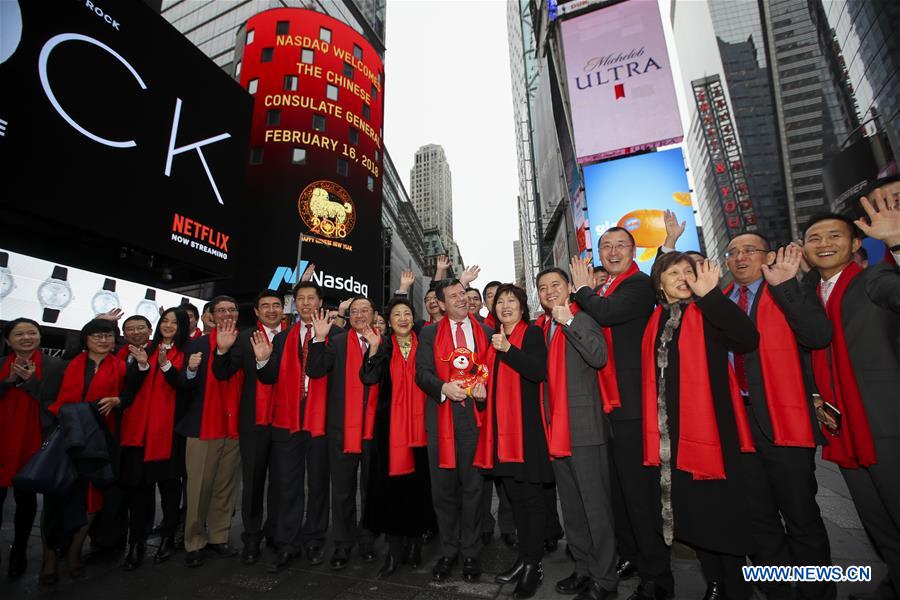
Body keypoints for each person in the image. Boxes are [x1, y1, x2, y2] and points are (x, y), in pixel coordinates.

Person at [722, 234, 835, 600]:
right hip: (740, 427)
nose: (740, 258)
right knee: (759, 518)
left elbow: (818, 335)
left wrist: (786, 284)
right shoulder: (719, 304)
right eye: (733, 252)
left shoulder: (788, 289)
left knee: (801, 515)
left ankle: (815, 593)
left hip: (783, 421)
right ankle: (779, 591)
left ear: (769, 256)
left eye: (749, 250)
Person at [801, 188, 900, 600]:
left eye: (834, 236)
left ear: (856, 243)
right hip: (842, 428)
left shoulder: (874, 279)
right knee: (875, 519)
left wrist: (896, 242)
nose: (824, 244)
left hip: (884, 421)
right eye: (815, 238)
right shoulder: (808, 295)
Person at [643, 252, 759, 600]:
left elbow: (747, 338)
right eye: (672, 271)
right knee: (693, 516)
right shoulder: (656, 322)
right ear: (660, 283)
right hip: (672, 438)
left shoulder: (707, 311)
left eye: (687, 271)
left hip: (711, 431)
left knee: (721, 513)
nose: (681, 276)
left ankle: (737, 588)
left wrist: (710, 296)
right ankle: (714, 582)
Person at [569, 228, 673, 600]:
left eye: (621, 246)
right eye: (606, 246)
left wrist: (581, 291)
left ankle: (658, 580)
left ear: (633, 251)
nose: (613, 252)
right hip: (606, 405)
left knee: (641, 498)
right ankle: (631, 556)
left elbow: (608, 316)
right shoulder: (605, 289)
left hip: (631, 405)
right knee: (619, 496)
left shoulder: (639, 285)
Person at [534, 269, 617, 600]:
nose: (550, 291)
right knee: (572, 509)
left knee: (596, 510)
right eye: (543, 288)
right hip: (557, 430)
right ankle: (584, 569)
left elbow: (599, 357)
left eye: (556, 285)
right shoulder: (545, 328)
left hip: (584, 431)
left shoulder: (580, 319)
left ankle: (606, 580)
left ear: (569, 288)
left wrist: (568, 321)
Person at [255, 281, 344, 570]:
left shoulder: (337, 335)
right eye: (300, 299)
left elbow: (326, 372)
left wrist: (320, 339)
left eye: (310, 298)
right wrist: (262, 361)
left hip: (321, 421)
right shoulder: (282, 339)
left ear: (320, 302)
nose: (305, 303)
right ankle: (287, 543)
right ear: (295, 304)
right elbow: (269, 378)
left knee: (318, 484)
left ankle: (314, 540)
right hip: (288, 420)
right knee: (287, 484)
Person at [416, 278, 494, 582]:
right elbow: (421, 374)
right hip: (441, 419)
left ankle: (472, 552)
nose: (462, 299)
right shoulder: (429, 333)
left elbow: (491, 372)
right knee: (444, 491)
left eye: (463, 293)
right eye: (454, 296)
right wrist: (443, 387)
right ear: (442, 304)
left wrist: (483, 386)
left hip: (474, 422)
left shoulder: (486, 333)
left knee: (474, 490)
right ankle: (449, 551)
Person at [474, 283, 549, 599]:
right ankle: (523, 560)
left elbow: (537, 371)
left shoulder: (530, 335)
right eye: (500, 302)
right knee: (515, 502)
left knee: (530, 503)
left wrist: (509, 349)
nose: (505, 305)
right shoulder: (492, 343)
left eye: (512, 301)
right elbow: (489, 389)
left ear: (522, 307)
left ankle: (534, 565)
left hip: (527, 434)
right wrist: (479, 396)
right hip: (500, 436)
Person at [43, 318, 129, 584]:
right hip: (66, 439)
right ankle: (49, 560)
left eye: (108, 336)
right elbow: (48, 398)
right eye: (97, 336)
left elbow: (131, 397)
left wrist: (119, 401)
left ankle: (74, 552)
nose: (103, 341)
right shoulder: (66, 366)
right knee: (56, 498)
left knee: (91, 500)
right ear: (86, 339)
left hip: (99, 441)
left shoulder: (122, 367)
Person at [360, 298, 438, 578]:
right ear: (389, 321)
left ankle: (416, 544)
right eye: (397, 315)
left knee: (419, 488)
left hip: (423, 430)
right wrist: (374, 348)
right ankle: (394, 552)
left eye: (407, 314)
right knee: (391, 490)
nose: (403, 318)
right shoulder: (384, 346)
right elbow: (368, 378)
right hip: (389, 430)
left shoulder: (425, 344)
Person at [306, 297, 381, 569]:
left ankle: (368, 541)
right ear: (348, 317)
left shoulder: (384, 343)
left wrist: (373, 350)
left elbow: (374, 378)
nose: (359, 315)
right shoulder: (336, 342)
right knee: (342, 491)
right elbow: (315, 370)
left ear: (374, 314)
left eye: (365, 310)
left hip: (374, 429)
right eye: (354, 312)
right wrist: (318, 339)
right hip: (340, 429)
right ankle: (342, 544)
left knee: (370, 490)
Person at [211, 290, 284, 566]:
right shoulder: (243, 337)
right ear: (256, 312)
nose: (271, 310)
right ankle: (251, 536)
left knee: (281, 483)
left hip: (285, 422)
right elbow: (222, 373)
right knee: (252, 482)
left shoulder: (291, 337)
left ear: (282, 308)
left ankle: (277, 533)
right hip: (253, 421)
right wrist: (222, 349)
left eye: (276, 305)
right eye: (264, 306)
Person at [119, 308, 191, 570]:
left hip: (169, 432)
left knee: (170, 490)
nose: (168, 325)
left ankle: (168, 538)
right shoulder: (144, 349)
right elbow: (129, 386)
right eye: (165, 321)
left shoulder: (188, 352)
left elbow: (185, 385)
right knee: (139, 491)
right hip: (138, 433)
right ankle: (136, 542)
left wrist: (165, 365)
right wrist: (141, 364)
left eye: (174, 322)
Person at [177, 296, 243, 568]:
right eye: (221, 310)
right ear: (211, 316)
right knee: (198, 488)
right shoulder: (197, 344)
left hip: (235, 427)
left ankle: (219, 536)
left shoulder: (248, 341)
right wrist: (191, 370)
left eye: (231, 309)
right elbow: (182, 383)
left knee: (225, 487)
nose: (227, 314)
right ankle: (194, 541)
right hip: (204, 425)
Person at [0, 319, 65, 579]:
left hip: (34, 438)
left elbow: (55, 404)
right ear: (8, 340)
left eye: (32, 333)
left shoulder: (54, 366)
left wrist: (29, 382)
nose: (26, 338)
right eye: (19, 334)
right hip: (3, 436)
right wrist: (8, 381)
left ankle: (20, 549)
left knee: (25, 501)